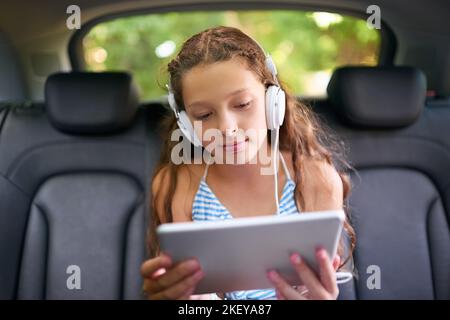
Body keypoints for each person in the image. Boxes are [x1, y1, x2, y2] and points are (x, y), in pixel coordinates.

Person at [141, 26, 355, 300]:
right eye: (204, 115)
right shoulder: (177, 185)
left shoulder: (315, 179)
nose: (227, 128)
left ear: (272, 103)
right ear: (186, 125)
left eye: (242, 105)